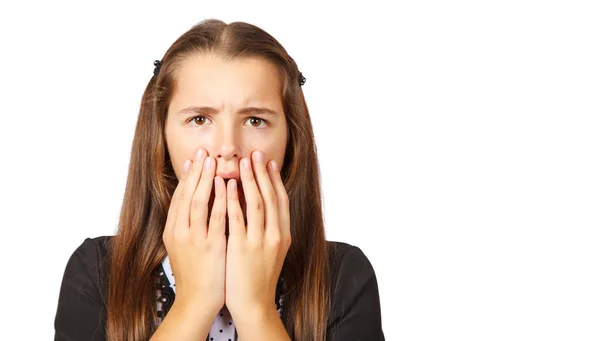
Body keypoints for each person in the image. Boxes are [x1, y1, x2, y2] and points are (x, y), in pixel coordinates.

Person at [54, 18, 385, 341]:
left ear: (290, 139)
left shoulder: (344, 276)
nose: (228, 147)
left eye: (255, 120)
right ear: (161, 135)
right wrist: (194, 303)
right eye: (200, 119)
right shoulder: (96, 271)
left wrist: (256, 310)